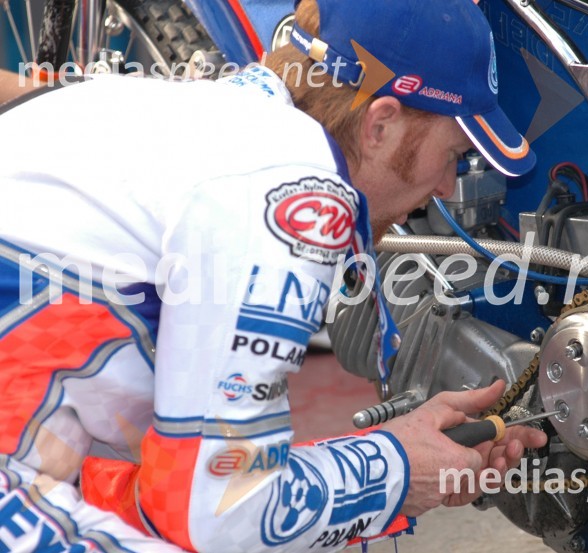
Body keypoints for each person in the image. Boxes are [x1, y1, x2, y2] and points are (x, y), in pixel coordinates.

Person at [0, 0, 544, 551]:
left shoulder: (203, 119)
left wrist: (395, 454)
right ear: (380, 124)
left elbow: (172, 494)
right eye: (452, 154)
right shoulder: (292, 184)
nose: (449, 187)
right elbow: (221, 518)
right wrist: (400, 469)